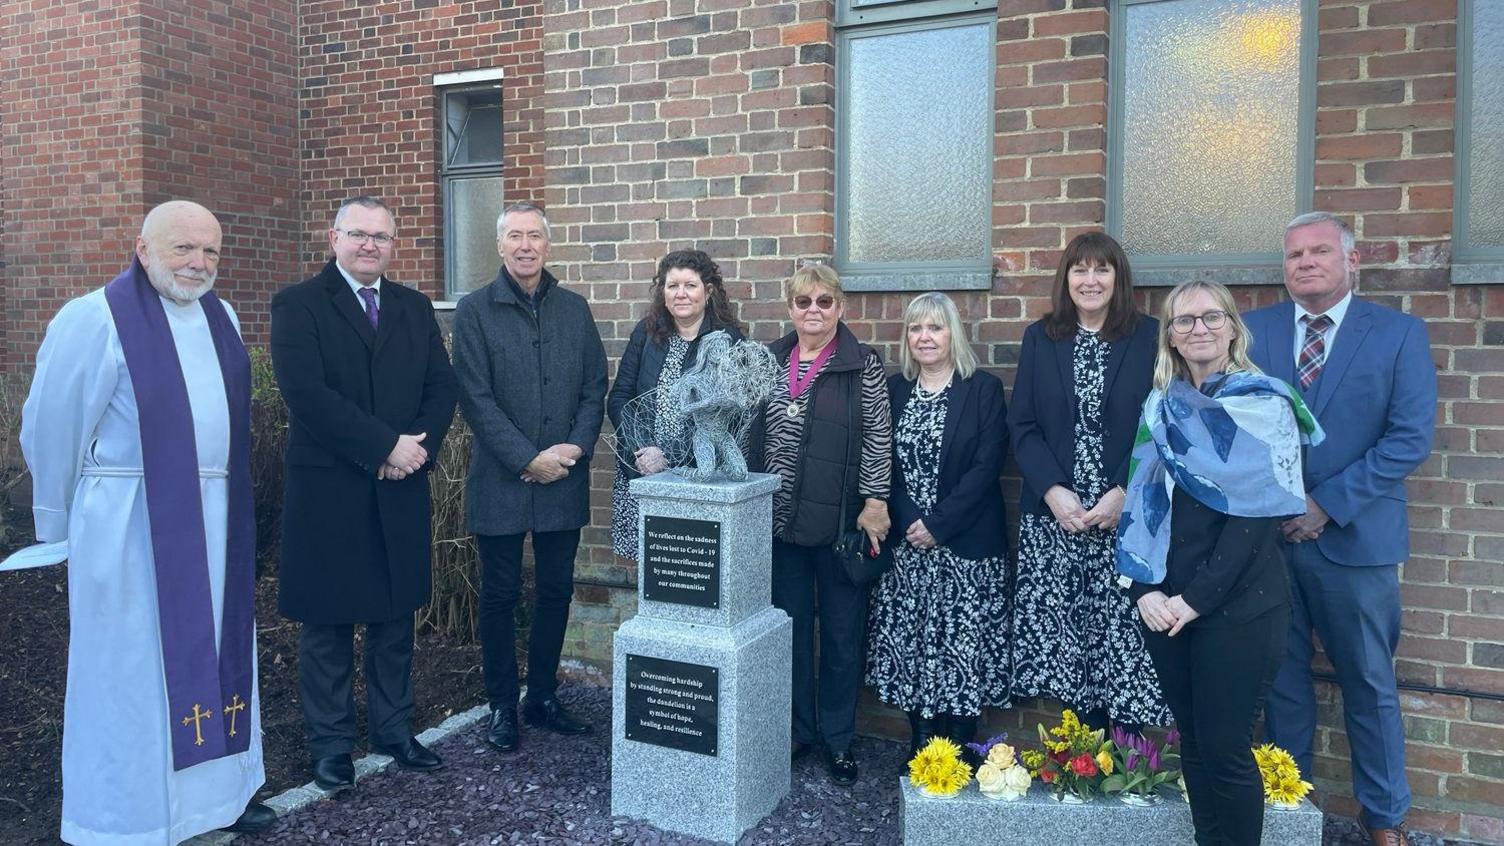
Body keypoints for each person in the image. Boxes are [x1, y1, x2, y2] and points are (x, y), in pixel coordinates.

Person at [5, 200, 273, 843]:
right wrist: (60, 521)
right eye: (183, 248)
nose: (198, 263)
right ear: (143, 248)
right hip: (130, 524)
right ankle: (127, 814)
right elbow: (52, 426)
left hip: (214, 520)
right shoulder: (95, 319)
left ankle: (215, 800)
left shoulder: (222, 317)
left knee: (215, 654)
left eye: (210, 251)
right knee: (133, 670)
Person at [1250, 212, 1437, 846]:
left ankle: (1385, 820)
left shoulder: (1398, 334)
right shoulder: (1254, 331)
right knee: (1281, 685)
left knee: (1369, 684)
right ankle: (1288, 810)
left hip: (1356, 543)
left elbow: (1409, 439)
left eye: (1320, 251)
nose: (1305, 262)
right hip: (1269, 545)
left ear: (1351, 261)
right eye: (1294, 253)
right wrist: (1275, 507)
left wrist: (1325, 504)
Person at [1119, 280, 1320, 846]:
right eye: (1184, 321)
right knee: (1195, 743)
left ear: (1233, 326)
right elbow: (1141, 500)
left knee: (1226, 748)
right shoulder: (1162, 407)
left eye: (1210, 318)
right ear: (1171, 338)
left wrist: (1192, 600)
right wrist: (1145, 591)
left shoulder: (1265, 404)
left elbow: (1255, 522)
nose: (1198, 329)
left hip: (1239, 606)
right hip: (1165, 603)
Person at [271, 196, 458, 792]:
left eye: (382, 236)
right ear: (334, 238)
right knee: (327, 626)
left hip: (400, 487)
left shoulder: (412, 306)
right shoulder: (298, 304)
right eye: (359, 234)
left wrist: (415, 451)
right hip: (332, 488)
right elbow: (307, 394)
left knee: (394, 618)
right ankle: (330, 747)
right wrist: (384, 447)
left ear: (393, 244)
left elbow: (440, 386)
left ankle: (393, 730)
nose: (370, 245)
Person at [452, 201, 608, 755]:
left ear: (548, 245)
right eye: (514, 236)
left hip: (563, 477)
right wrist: (526, 458)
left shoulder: (574, 309)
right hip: (501, 479)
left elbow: (595, 388)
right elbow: (475, 397)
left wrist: (576, 447)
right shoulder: (473, 311)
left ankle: (541, 696)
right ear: (499, 246)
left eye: (534, 236)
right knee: (497, 595)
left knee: (555, 591)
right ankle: (501, 704)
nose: (525, 245)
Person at [1007, 231, 1170, 730]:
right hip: (1057, 522)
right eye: (1080, 270)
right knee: (1066, 646)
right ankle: (1084, 765)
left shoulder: (1148, 336)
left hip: (1125, 521)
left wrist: (1124, 492)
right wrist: (1054, 492)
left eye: (1102, 269)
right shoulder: (1042, 337)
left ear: (1118, 278)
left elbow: (1163, 425)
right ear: (1067, 279)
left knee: (1123, 647)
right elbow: (1023, 425)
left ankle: (1127, 763)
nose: (1091, 279)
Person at [746, 264, 892, 786]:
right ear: (790, 308)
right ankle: (799, 732)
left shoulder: (861, 365)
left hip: (838, 527)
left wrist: (875, 501)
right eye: (804, 301)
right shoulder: (768, 360)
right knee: (788, 634)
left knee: (840, 636)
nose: (814, 310)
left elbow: (878, 435)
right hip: (779, 526)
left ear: (841, 307)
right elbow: (746, 432)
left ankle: (837, 740)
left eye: (824, 302)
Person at [866, 292, 1010, 760]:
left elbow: (987, 466)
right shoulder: (894, 390)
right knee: (914, 649)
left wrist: (939, 525)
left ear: (953, 334)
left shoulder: (982, 389)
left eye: (935, 328)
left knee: (962, 650)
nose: (924, 337)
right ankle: (923, 748)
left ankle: (962, 752)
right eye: (916, 329)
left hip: (966, 547)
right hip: (910, 549)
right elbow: (882, 463)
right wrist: (912, 521)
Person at [607, 249, 746, 559]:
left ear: (708, 291)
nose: (680, 294)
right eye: (672, 286)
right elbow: (620, 399)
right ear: (663, 291)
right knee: (654, 571)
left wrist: (694, 461)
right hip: (644, 469)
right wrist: (642, 450)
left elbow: (734, 413)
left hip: (701, 477)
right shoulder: (646, 333)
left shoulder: (727, 340)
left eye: (690, 285)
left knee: (695, 570)